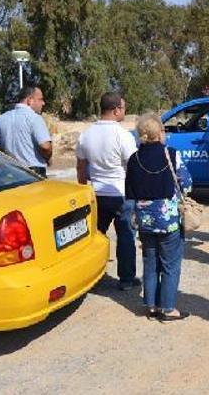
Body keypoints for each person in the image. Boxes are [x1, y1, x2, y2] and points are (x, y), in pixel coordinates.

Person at [125, 114, 193, 322]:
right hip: (168, 219)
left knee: (150, 262)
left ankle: (151, 305)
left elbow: (129, 190)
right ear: (159, 133)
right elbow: (187, 183)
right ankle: (168, 308)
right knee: (170, 264)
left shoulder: (134, 159)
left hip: (145, 220)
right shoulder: (170, 154)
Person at [76, 92, 139, 291]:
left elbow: (80, 166)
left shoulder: (86, 134)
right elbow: (133, 166)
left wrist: (83, 189)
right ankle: (127, 279)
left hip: (96, 194)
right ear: (116, 110)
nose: (124, 111)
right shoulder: (123, 135)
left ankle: (94, 275)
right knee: (126, 237)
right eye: (123, 108)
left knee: (95, 238)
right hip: (120, 194)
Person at [0, 86, 51, 177]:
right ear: (30, 100)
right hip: (33, 174)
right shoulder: (35, 118)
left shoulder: (1, 119)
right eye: (40, 99)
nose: (43, 103)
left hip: (10, 173)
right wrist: (48, 158)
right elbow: (45, 146)